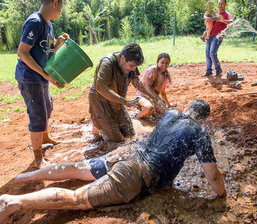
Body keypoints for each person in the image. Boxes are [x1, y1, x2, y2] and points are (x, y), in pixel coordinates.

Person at [0, 100, 226, 224]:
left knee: (78, 169)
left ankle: (27, 177)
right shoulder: (200, 133)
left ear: (187, 109)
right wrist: (222, 195)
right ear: (203, 119)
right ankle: (13, 202)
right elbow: (213, 176)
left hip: (128, 152)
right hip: (137, 173)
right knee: (78, 198)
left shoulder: (172, 113)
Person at [15, 0, 69, 168]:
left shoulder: (48, 25)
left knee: (47, 107)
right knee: (38, 114)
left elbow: (47, 53)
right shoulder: (35, 22)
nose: (60, 12)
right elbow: (22, 53)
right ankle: (38, 157)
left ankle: (45, 137)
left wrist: (58, 43)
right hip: (30, 77)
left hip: (41, 76)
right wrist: (46, 74)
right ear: (54, 3)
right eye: (60, 7)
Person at [88, 43, 163, 143]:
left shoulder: (131, 63)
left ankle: (100, 126)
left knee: (130, 135)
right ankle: (98, 124)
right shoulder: (107, 63)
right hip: (100, 104)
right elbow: (100, 87)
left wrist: (152, 97)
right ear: (122, 58)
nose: (133, 69)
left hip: (117, 103)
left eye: (135, 66)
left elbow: (137, 83)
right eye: (131, 66)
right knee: (118, 142)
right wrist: (126, 102)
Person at [135, 53, 177, 119]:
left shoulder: (164, 75)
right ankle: (136, 118)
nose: (164, 65)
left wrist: (168, 105)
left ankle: (149, 114)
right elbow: (147, 87)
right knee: (150, 108)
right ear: (157, 62)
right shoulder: (153, 70)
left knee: (163, 115)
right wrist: (157, 99)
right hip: (142, 97)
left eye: (167, 63)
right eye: (162, 62)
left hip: (153, 99)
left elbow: (163, 92)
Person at [201, 0, 233, 77]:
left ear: (225, 4)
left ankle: (218, 69)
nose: (220, 5)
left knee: (212, 53)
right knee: (207, 53)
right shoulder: (216, 13)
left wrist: (223, 20)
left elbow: (231, 22)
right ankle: (209, 71)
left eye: (222, 4)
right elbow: (209, 19)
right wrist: (207, 19)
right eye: (219, 4)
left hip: (218, 36)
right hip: (210, 35)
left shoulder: (227, 14)